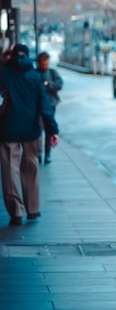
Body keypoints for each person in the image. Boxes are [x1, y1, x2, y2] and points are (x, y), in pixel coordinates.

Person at [0, 43, 58, 225]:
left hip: (8, 128)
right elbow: (45, 107)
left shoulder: (3, 74)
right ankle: (33, 209)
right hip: (31, 131)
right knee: (31, 168)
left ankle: (16, 211)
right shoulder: (35, 77)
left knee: (10, 171)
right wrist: (52, 130)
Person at [35, 52, 63, 164]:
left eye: (46, 61)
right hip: (37, 106)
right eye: (43, 62)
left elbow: (59, 84)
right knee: (38, 129)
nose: (45, 64)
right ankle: (39, 152)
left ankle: (47, 153)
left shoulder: (52, 73)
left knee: (48, 129)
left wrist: (49, 84)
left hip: (50, 104)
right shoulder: (35, 73)